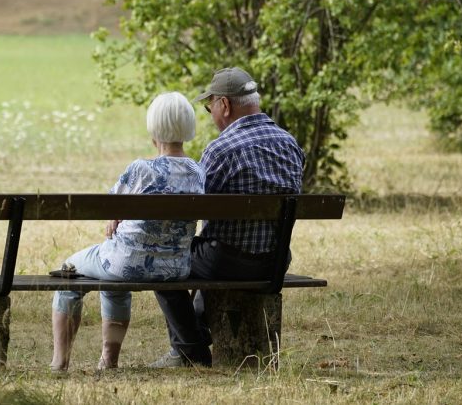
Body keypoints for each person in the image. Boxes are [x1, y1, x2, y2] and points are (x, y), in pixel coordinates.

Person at [149, 67, 305, 368]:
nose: (211, 115)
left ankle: (190, 350)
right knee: (211, 250)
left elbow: (193, 209)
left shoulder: (220, 150)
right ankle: (193, 339)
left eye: (210, 108)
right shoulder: (290, 144)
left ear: (224, 105)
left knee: (161, 258)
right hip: (275, 261)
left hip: (227, 262)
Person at [50, 91, 205, 371]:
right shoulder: (198, 171)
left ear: (153, 128)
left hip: (126, 263)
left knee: (68, 271)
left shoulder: (141, 169)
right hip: (175, 268)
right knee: (111, 277)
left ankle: (59, 362)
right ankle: (108, 360)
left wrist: (116, 216)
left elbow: (109, 206)